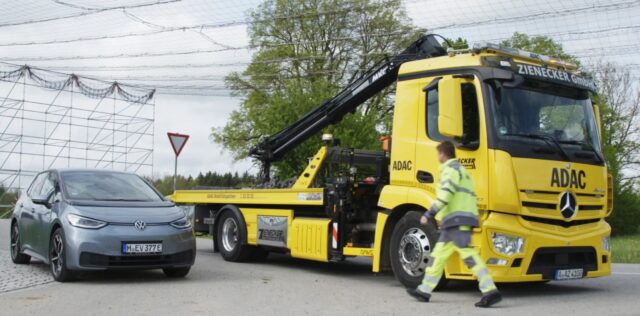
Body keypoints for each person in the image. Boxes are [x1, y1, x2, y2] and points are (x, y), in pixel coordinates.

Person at [407, 141, 502, 308]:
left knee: (469, 256)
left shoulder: (450, 171)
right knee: (437, 257)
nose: (437, 158)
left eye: (438, 154)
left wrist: (429, 214)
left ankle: (490, 290)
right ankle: (424, 290)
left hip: (458, 222)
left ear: (443, 154)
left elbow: (445, 196)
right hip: (454, 222)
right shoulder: (462, 171)